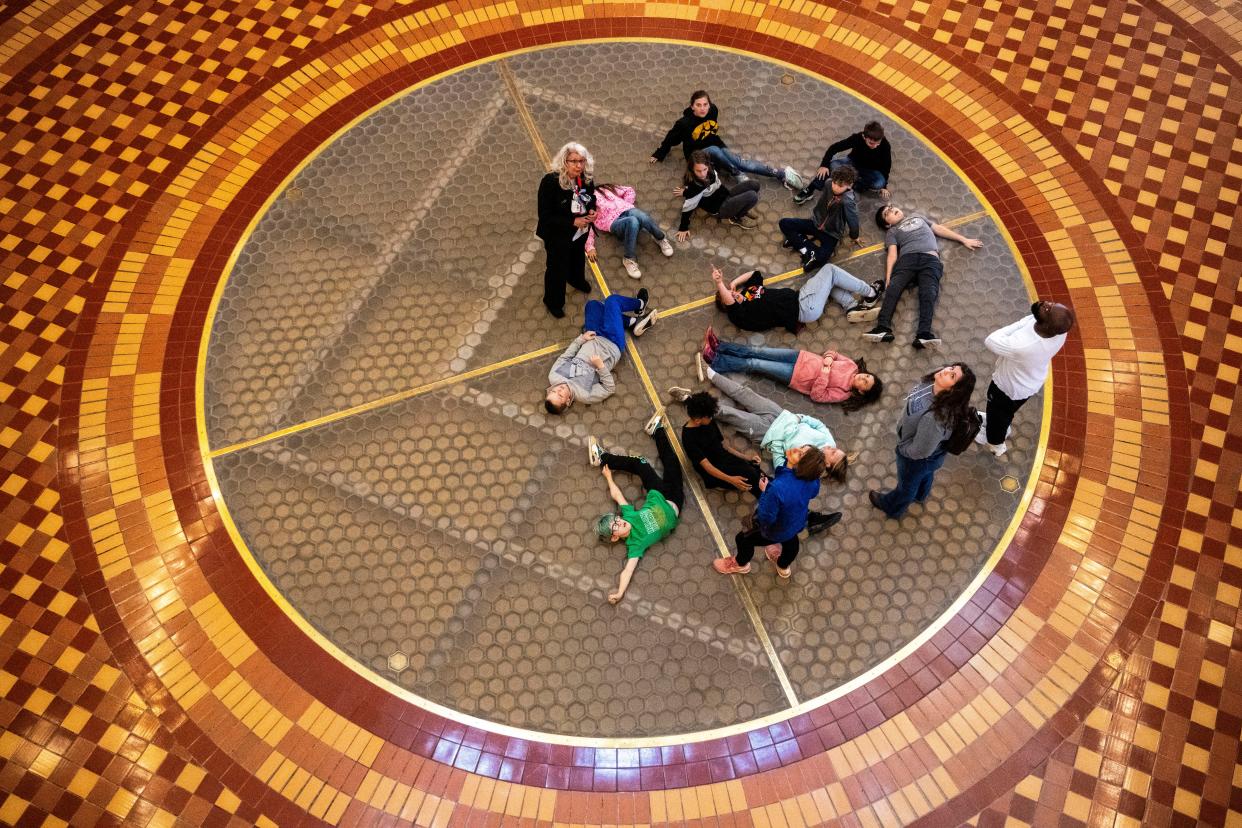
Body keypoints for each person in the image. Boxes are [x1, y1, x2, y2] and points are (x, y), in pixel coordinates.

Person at [588, 414, 683, 604]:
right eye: (617, 526)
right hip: (675, 501)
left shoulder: (629, 516)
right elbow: (628, 570)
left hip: (657, 492)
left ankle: (603, 458)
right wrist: (619, 593)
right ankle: (658, 431)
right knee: (672, 463)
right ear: (615, 537)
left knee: (640, 463)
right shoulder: (635, 545)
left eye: (617, 519)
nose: (620, 521)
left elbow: (617, 496)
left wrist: (608, 477)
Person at [862, 205, 983, 349]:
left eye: (891, 207)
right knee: (893, 289)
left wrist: (963, 239)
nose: (891, 209)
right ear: (887, 224)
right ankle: (882, 328)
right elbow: (892, 254)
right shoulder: (892, 232)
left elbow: (938, 229)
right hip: (907, 261)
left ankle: (923, 334)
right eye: (886, 213)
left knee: (929, 292)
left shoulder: (918, 216)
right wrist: (888, 276)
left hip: (930, 260)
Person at [869, 363, 976, 518]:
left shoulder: (935, 419)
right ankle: (921, 494)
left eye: (952, 376)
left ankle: (891, 507)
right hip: (930, 457)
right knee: (924, 475)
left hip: (916, 459)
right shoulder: (931, 382)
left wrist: (902, 449)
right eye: (951, 368)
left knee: (906, 486)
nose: (946, 371)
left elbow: (920, 452)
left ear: (954, 390)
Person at [976, 300, 1075, 457]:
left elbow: (991, 340)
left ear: (1047, 326)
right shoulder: (1059, 331)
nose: (1046, 304)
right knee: (1003, 412)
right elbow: (1031, 320)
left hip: (1007, 389)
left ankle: (996, 444)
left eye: (1048, 310)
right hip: (1028, 383)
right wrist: (1034, 319)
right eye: (1052, 304)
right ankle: (997, 421)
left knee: (999, 412)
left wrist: (1023, 323)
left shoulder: (1023, 346)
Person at [711, 445, 826, 579]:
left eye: (800, 455)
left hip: (774, 530)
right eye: (801, 448)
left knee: (743, 539)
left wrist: (765, 491)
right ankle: (783, 566)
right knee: (791, 542)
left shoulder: (776, 488)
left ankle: (740, 564)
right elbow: (812, 493)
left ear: (802, 467)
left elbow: (765, 517)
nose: (796, 449)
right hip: (796, 522)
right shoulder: (813, 479)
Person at [650, 90, 799, 187]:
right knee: (715, 151)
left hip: (716, 145)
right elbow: (671, 138)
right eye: (698, 105)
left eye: (705, 104)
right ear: (692, 107)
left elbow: (712, 130)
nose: (703, 108)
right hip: (696, 156)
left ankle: (780, 173)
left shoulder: (713, 110)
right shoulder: (684, 123)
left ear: (710, 105)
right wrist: (660, 153)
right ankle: (737, 174)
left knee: (740, 162)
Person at [701, 333, 883, 411]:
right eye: (867, 376)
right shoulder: (852, 365)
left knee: (755, 364)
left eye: (865, 382)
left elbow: (818, 395)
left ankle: (716, 361)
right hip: (801, 357)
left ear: (861, 391)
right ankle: (721, 346)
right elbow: (832, 353)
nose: (863, 377)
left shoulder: (843, 394)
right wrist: (828, 357)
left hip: (794, 375)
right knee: (758, 351)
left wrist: (825, 373)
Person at [544, 290, 656, 414]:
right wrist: (601, 367)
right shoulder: (585, 395)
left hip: (592, 335)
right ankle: (640, 305)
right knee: (612, 301)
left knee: (593, 305)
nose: (558, 390)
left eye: (553, 391)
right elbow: (609, 389)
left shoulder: (554, 376)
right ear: (567, 401)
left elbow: (565, 357)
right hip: (612, 344)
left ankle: (632, 323)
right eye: (560, 396)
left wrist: (581, 339)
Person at [711, 263, 883, 334]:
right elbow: (730, 302)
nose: (731, 292)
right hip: (803, 307)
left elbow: (755, 273)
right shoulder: (739, 314)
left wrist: (733, 282)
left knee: (829, 283)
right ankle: (870, 293)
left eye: (730, 290)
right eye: (728, 293)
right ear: (727, 305)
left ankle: (851, 306)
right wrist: (719, 283)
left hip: (802, 297)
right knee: (830, 270)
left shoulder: (748, 292)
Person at [536, 142, 597, 318]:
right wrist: (573, 221)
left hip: (580, 232)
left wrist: (592, 209)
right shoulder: (550, 182)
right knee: (557, 269)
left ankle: (576, 279)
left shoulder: (585, 177)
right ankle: (553, 301)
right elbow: (545, 217)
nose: (578, 165)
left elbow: (591, 196)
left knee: (577, 257)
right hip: (557, 236)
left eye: (582, 161)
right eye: (573, 161)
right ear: (564, 161)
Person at [674, 390, 766, 496]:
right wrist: (731, 479)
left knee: (753, 472)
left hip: (724, 458)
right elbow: (707, 466)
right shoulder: (688, 438)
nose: (712, 418)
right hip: (713, 468)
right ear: (698, 420)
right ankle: (718, 484)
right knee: (751, 479)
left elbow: (724, 445)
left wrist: (746, 457)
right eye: (709, 417)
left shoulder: (709, 422)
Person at [778, 163, 862, 270]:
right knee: (784, 223)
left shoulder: (848, 201)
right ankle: (807, 249)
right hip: (815, 223)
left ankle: (798, 241)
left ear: (850, 185)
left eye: (840, 186)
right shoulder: (828, 183)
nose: (835, 187)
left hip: (831, 233)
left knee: (820, 260)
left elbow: (853, 221)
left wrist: (854, 236)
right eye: (834, 183)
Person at [585, 183, 674, 279]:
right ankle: (628, 258)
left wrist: (627, 204)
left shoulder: (603, 189)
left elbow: (629, 190)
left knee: (643, 217)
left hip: (627, 210)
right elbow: (586, 225)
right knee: (633, 221)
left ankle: (660, 238)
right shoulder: (585, 204)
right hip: (613, 222)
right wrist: (589, 246)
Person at [793, 121, 893, 204]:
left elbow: (886, 166)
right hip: (852, 163)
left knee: (879, 183)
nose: (875, 146)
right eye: (871, 143)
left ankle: (850, 184)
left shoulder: (885, 145)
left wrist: (884, 187)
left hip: (870, 171)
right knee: (831, 165)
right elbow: (834, 148)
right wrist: (824, 165)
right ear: (864, 137)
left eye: (877, 143)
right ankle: (810, 189)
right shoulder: (857, 138)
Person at [675, 151, 762, 239]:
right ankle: (736, 216)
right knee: (752, 196)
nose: (702, 174)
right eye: (698, 171)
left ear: (708, 165)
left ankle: (740, 208)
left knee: (755, 184)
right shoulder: (694, 186)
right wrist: (683, 227)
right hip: (720, 208)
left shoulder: (710, 169)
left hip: (725, 195)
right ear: (691, 169)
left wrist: (685, 191)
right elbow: (688, 207)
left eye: (704, 169)